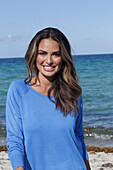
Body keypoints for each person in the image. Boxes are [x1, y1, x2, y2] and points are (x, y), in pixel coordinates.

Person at [6, 27, 91, 170]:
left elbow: (79, 138)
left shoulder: (73, 92)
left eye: (56, 54)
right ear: (34, 55)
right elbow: (15, 142)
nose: (49, 61)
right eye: (43, 53)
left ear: (63, 58)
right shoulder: (18, 90)